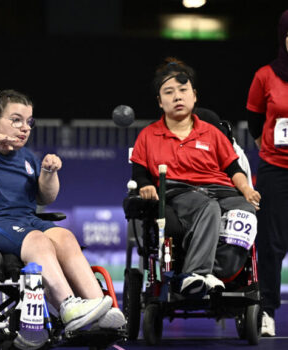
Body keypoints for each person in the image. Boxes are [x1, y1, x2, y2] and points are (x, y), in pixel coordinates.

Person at [0, 89, 126, 333]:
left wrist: (49, 173)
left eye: (29, 122)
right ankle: (68, 306)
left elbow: (46, 196)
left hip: (25, 221)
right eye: (16, 120)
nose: (25, 128)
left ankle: (99, 308)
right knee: (38, 240)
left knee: (64, 236)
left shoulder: (26, 157)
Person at [130, 57, 261, 297]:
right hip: (178, 192)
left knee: (245, 212)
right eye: (169, 92)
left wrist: (246, 190)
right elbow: (139, 173)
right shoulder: (148, 135)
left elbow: (234, 169)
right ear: (160, 101)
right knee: (207, 207)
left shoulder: (212, 132)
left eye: (183, 90)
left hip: (221, 190)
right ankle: (196, 274)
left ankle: (220, 273)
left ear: (194, 96)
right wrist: (146, 186)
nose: (177, 97)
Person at [246, 9, 288, 337]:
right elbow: (256, 121)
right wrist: (270, 149)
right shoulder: (265, 76)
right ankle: (268, 310)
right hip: (276, 169)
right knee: (271, 243)